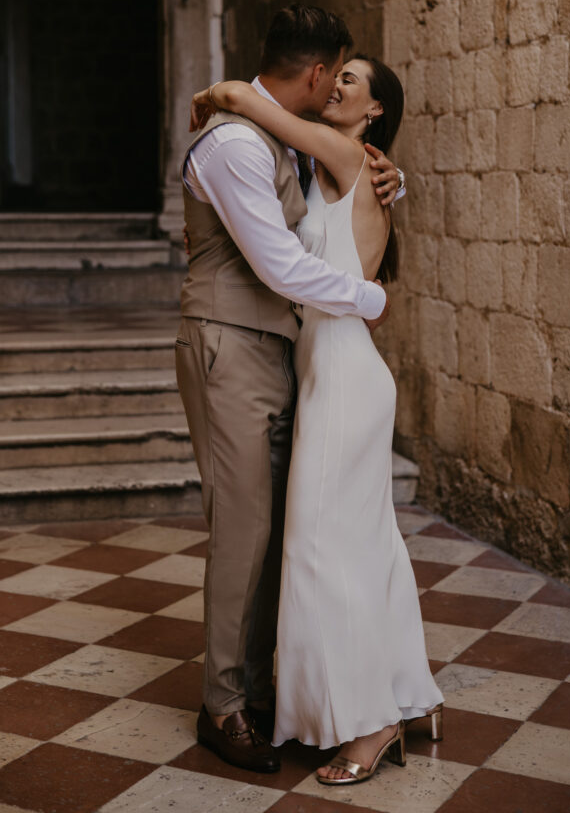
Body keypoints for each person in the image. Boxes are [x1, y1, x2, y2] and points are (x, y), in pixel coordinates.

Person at [195, 54, 443, 786]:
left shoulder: (342, 151)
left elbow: (253, 101)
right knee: (358, 545)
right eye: (336, 73)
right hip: (327, 370)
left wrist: (212, 96)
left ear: (374, 113)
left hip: (342, 373)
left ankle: (370, 724)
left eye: (352, 81)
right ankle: (400, 694)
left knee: (321, 550)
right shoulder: (346, 163)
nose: (335, 84)